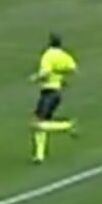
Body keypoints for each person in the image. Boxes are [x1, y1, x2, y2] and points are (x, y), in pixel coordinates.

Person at [30, 32, 79, 164]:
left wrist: (36, 77)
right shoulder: (63, 55)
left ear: (49, 42)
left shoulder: (48, 55)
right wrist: (60, 75)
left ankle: (67, 126)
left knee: (37, 124)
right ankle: (39, 155)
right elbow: (73, 68)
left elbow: (45, 72)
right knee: (42, 121)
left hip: (49, 92)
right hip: (57, 92)